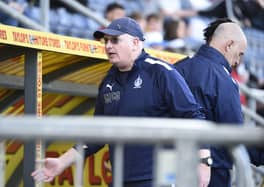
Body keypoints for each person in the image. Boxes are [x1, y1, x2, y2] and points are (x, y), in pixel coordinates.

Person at [31, 17, 211, 187]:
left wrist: (204, 161)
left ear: (135, 43)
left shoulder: (161, 72)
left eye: (115, 40)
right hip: (119, 179)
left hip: (159, 179)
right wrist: (62, 162)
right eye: (106, 41)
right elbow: (97, 135)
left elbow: (193, 115)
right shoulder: (108, 81)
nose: (108, 46)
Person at [175, 18, 264, 187]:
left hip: (173, 166)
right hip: (213, 173)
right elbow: (233, 134)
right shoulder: (223, 79)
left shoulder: (177, 68)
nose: (238, 62)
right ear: (229, 45)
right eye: (240, 54)